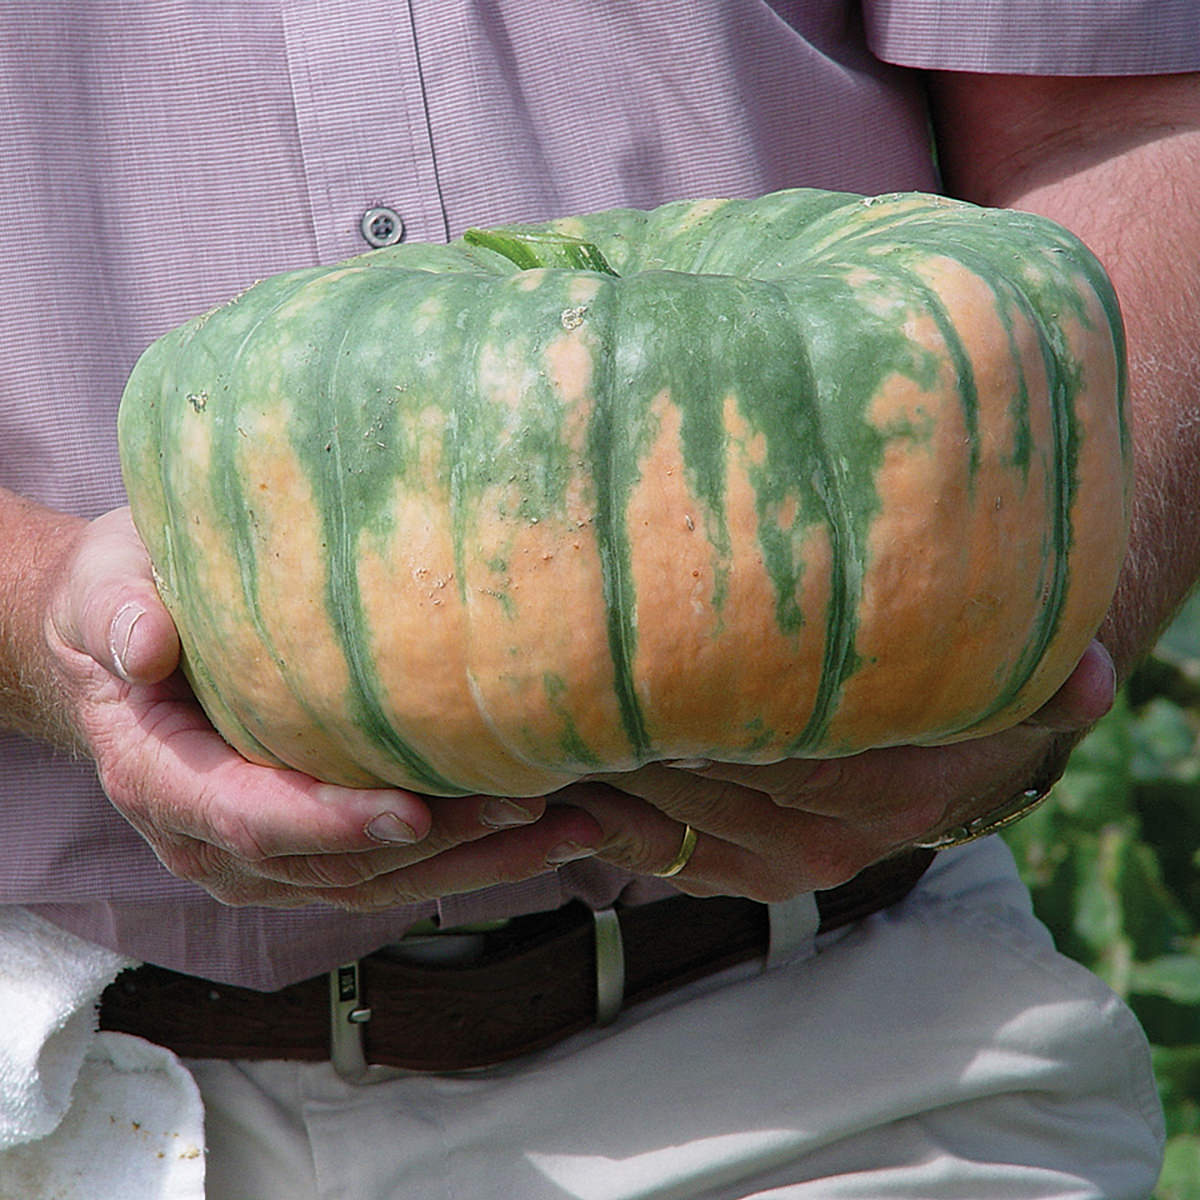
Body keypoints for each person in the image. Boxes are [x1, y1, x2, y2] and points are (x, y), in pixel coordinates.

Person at [1, 3, 1197, 1195]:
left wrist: (1025, 619)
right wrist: (33, 618)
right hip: (70, 1088)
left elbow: (1125, 117)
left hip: (850, 1057)